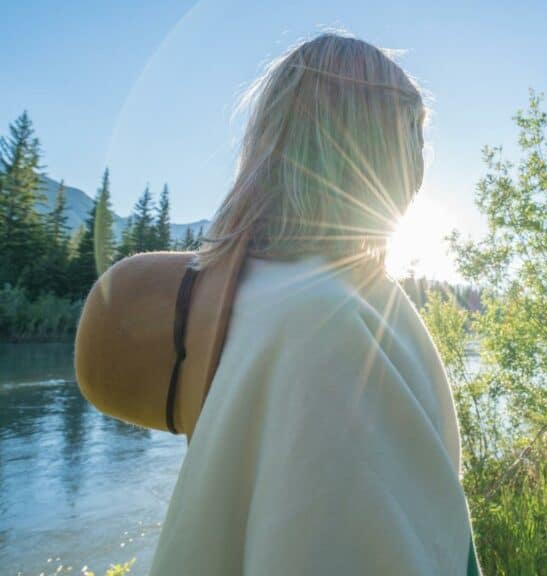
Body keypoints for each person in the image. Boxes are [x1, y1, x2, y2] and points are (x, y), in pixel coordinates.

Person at [148, 33, 479, 575]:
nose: (422, 162)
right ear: (362, 143)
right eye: (410, 134)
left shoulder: (254, 295)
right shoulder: (328, 322)